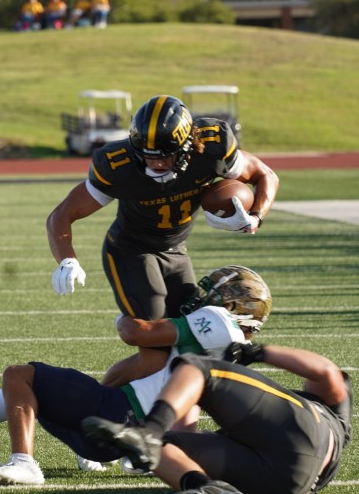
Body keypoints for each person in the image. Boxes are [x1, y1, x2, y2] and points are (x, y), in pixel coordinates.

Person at [0, 265, 272, 485]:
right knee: (32, 394)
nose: (202, 299)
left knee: (20, 376)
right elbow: (141, 373)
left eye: (212, 294)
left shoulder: (219, 324)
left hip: (122, 415)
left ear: (233, 306)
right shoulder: (229, 354)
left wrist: (127, 306)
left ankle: (22, 462)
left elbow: (135, 334)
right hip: (133, 432)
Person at [47, 95, 278, 384]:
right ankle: (102, 398)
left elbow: (265, 174)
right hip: (131, 251)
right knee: (155, 355)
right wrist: (67, 260)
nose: (156, 162)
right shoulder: (118, 165)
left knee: (193, 346)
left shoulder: (211, 147)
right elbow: (62, 215)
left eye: (165, 155)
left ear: (188, 145)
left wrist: (255, 216)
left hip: (176, 250)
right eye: (148, 155)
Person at [81, 333, 352, 494]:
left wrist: (256, 352)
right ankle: (206, 488)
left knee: (199, 366)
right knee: (162, 446)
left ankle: (149, 432)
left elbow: (326, 371)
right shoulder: (328, 426)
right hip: (291, 485)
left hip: (302, 437)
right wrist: (194, 396)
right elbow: (183, 433)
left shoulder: (329, 409)